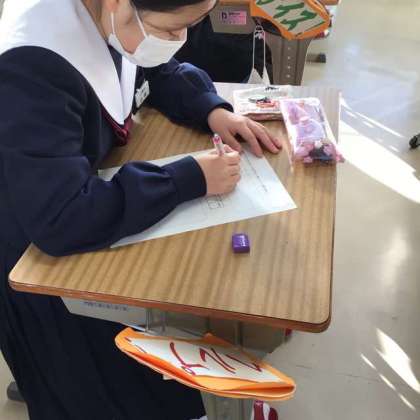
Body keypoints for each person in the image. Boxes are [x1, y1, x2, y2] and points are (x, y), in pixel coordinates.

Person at [0, 0, 282, 419]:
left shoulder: (108, 18)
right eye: (171, 30)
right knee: (91, 392)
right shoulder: (32, 69)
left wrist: (211, 108)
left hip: (90, 218)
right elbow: (61, 217)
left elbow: (155, 71)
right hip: (38, 265)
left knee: (149, 366)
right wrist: (187, 178)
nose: (178, 40)